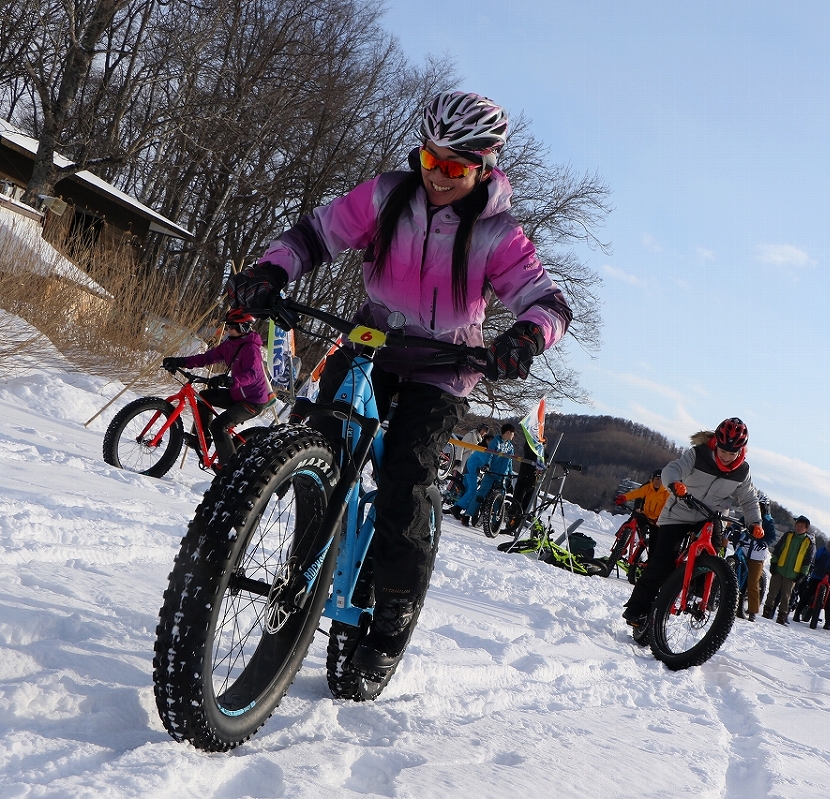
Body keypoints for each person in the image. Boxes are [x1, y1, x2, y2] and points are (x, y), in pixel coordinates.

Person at [225, 90, 573, 677]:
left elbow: (548, 303)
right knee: (316, 433)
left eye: (454, 168)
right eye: (429, 158)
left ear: (484, 167)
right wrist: (270, 270)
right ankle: (300, 544)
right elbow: (315, 236)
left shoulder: (499, 234)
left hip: (442, 369)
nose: (436, 176)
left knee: (405, 476)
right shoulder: (387, 195)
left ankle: (390, 620)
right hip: (371, 341)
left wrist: (525, 339)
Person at [621, 419, 763, 641]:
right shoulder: (698, 454)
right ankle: (638, 608)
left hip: (710, 515)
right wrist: (674, 484)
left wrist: (755, 523)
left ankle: (699, 595)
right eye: (723, 450)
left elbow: (749, 499)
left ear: (741, 450)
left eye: (732, 452)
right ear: (716, 443)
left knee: (713, 552)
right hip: (680, 510)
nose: (726, 456)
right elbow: (673, 469)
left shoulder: (742, 471)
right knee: (662, 561)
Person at [161, 308, 271, 469]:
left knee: (219, 425)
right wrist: (180, 361)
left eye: (232, 326)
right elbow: (206, 358)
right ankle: (202, 439)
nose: (228, 330)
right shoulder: (229, 345)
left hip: (253, 401)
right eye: (228, 326)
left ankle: (229, 468)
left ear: (244, 328)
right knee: (204, 397)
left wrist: (231, 381)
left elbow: (252, 374)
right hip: (236, 394)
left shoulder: (251, 349)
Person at [762, 516, 815, 624]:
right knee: (772, 593)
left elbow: (808, 561)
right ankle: (766, 612)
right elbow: (777, 549)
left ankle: (781, 617)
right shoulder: (788, 535)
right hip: (779, 569)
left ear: (806, 529)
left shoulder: (808, 543)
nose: (799, 527)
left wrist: (802, 574)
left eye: (802, 526)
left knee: (786, 597)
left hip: (792, 574)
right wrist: (773, 563)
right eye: (798, 525)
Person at [795, 533, 830, 629]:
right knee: (807, 595)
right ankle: (797, 614)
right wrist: (813, 565)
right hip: (816, 576)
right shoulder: (824, 549)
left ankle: (828, 623)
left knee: (828, 602)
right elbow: (815, 558)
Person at [738, 492, 778, 621]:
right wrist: (731, 530)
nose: (758, 509)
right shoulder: (748, 516)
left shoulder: (768, 521)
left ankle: (752, 611)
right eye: (756, 506)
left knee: (752, 581)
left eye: (760, 506)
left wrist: (763, 542)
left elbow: (772, 537)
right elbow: (737, 525)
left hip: (757, 554)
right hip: (744, 549)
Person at [613, 469, 670, 549]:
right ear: (653, 479)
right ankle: (621, 546)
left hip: (657, 521)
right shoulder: (648, 488)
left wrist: (661, 518)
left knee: (653, 543)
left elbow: (667, 508)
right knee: (631, 523)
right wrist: (623, 497)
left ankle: (650, 560)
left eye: (661, 479)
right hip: (645, 515)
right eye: (656, 478)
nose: (658, 481)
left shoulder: (666, 493)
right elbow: (636, 493)